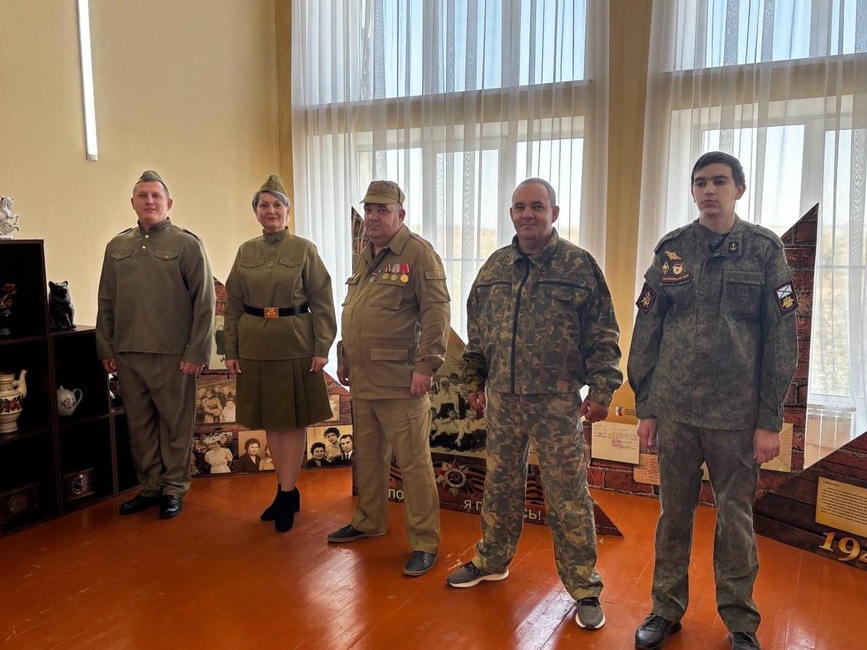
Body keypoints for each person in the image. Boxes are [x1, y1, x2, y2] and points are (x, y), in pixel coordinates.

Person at [628, 152, 798, 650]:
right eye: (700, 182)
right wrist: (646, 406)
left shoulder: (764, 251)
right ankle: (665, 610)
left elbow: (781, 339)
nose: (709, 190)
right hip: (676, 410)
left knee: (736, 521)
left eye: (719, 182)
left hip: (736, 417)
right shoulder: (673, 250)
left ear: (738, 189)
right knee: (673, 516)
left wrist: (769, 419)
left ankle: (741, 622)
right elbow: (648, 327)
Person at [445, 178, 622, 633]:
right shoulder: (495, 267)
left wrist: (602, 390)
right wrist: (474, 380)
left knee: (567, 495)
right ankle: (491, 560)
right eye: (520, 207)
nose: (528, 214)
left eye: (537, 207)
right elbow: (478, 332)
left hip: (557, 401)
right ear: (511, 214)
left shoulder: (578, 266)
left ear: (554, 213)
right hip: (503, 400)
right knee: (499, 485)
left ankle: (584, 586)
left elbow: (603, 334)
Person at [327, 180, 451, 578]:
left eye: (382, 209)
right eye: (369, 210)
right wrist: (344, 355)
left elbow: (437, 313)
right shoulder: (367, 255)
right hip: (364, 379)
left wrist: (426, 366)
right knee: (368, 458)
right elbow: (354, 309)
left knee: (413, 464)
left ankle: (425, 542)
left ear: (400, 214)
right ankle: (369, 521)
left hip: (400, 381)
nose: (373, 217)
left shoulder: (418, 254)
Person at [96, 170, 215, 521]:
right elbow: (106, 300)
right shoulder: (117, 246)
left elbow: (204, 303)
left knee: (175, 426)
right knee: (139, 426)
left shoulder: (186, 245)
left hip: (173, 354)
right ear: (133, 203)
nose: (149, 201)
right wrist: (106, 348)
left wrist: (197, 352)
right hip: (128, 352)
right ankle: (149, 487)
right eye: (143, 196)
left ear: (168, 203)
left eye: (156, 196)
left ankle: (174, 489)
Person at [224, 174, 336, 533]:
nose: (270, 210)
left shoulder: (304, 249)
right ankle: (284, 490)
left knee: (292, 420)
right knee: (272, 421)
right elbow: (233, 304)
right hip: (255, 345)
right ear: (256, 212)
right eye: (263, 205)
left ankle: (288, 493)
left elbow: (322, 301)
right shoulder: (246, 251)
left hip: (295, 344)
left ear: (288, 211)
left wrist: (322, 347)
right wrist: (231, 349)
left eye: (277, 205)